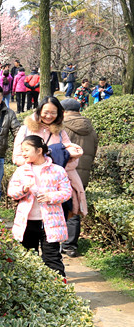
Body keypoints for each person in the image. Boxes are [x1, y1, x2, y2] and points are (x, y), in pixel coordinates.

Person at [7, 135, 72, 278]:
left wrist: (50, 196)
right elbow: (11, 192)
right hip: (27, 222)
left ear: (39, 150)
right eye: (22, 150)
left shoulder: (57, 170)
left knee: (52, 258)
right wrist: (23, 190)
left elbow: (67, 192)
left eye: (26, 150)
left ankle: (59, 287)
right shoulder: (21, 171)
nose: (23, 153)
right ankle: (31, 288)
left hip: (50, 222)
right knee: (28, 258)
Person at [60, 98, 99, 257]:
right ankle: (70, 246)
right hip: (82, 174)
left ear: (64, 111)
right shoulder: (90, 128)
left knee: (59, 207)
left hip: (65, 172)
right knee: (74, 208)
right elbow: (94, 151)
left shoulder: (63, 127)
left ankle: (57, 241)